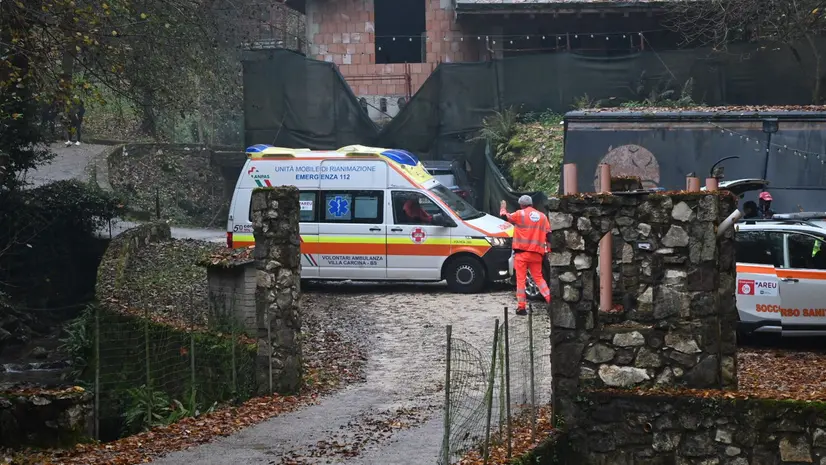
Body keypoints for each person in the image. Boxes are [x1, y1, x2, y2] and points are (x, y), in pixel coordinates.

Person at [500, 195, 551, 316]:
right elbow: (549, 235)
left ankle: (521, 307)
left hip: (522, 254)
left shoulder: (520, 214)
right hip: (537, 254)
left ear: (521, 204)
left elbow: (504, 217)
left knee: (521, 281)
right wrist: (548, 251)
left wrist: (503, 207)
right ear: (532, 204)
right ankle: (550, 300)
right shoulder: (543, 217)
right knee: (539, 278)